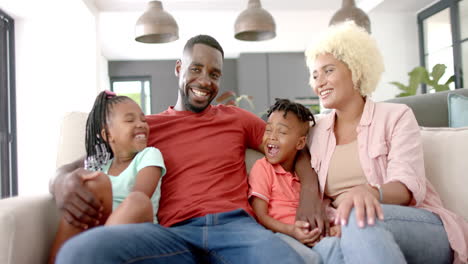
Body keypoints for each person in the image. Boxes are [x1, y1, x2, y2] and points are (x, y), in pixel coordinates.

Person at [50, 35, 326, 264]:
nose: (205, 81)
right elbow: (87, 161)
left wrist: (310, 192)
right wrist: (60, 180)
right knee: (81, 252)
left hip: (238, 230)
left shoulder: (236, 118)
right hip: (173, 235)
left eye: (214, 73)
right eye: (196, 69)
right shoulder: (146, 127)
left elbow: (291, 147)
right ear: (179, 68)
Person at [305, 21, 468, 263]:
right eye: (315, 75)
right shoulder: (315, 131)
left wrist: (368, 193)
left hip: (414, 223)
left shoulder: (396, 116)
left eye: (328, 71)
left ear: (356, 69)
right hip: (350, 228)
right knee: (329, 251)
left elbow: (406, 186)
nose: (319, 83)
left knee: (356, 217)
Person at [48, 91, 166, 263]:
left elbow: (141, 195)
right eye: (130, 120)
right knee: (91, 183)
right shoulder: (100, 168)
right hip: (98, 230)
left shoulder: (149, 155)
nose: (141, 124)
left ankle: (97, 249)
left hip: (138, 231)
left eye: (143, 120)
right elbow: (63, 174)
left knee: (137, 201)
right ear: (108, 135)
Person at [249, 98, 342, 264]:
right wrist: (291, 230)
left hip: (312, 236)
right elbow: (260, 215)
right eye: (268, 130)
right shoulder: (262, 168)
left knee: (334, 247)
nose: (272, 137)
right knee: (310, 259)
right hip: (282, 235)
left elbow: (325, 209)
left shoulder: (307, 174)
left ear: (300, 143)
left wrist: (333, 228)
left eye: (282, 132)